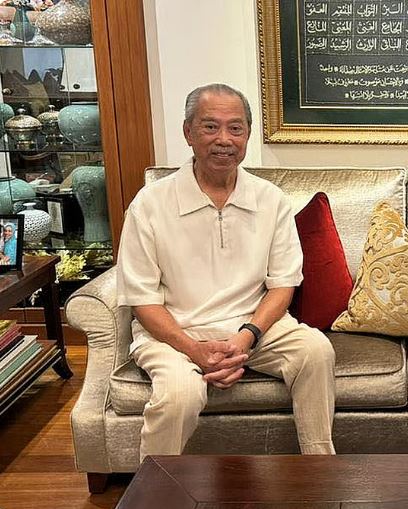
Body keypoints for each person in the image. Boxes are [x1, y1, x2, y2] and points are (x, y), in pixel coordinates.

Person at [117, 83, 336, 461]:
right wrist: (194, 350)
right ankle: (156, 489)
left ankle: (319, 471)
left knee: (316, 352)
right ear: (188, 132)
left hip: (253, 328)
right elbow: (142, 299)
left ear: (247, 135)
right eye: (210, 127)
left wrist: (246, 337)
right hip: (176, 333)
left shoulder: (270, 199)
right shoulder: (150, 204)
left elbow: (282, 286)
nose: (224, 139)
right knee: (178, 396)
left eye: (235, 128)